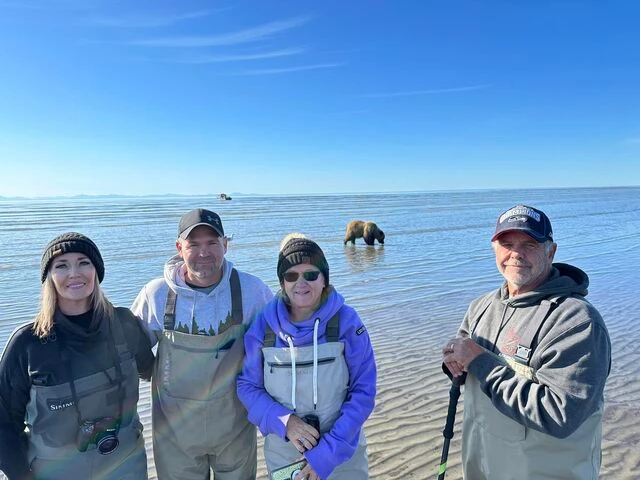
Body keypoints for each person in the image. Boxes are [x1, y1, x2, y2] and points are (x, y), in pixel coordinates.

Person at [442, 205, 611, 479]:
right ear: (494, 249)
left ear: (551, 251)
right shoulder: (481, 306)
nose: (516, 254)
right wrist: (455, 362)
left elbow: (560, 414)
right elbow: (463, 358)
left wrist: (479, 362)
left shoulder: (577, 321)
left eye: (529, 245)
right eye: (507, 244)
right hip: (481, 463)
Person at [131, 208, 273, 480]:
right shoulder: (156, 294)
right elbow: (131, 355)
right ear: (179, 248)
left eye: (212, 242)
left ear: (225, 245)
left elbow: (279, 349)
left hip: (234, 431)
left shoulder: (253, 290)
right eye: (193, 244)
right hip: (175, 437)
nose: (203, 252)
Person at [0, 232, 154, 480]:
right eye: (61, 265)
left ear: (96, 271)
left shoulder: (124, 323)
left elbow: (155, 371)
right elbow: (4, 422)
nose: (74, 273)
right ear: (49, 277)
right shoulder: (27, 343)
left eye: (84, 262)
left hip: (126, 463)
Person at [237, 234, 377, 480]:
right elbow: (247, 386)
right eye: (291, 276)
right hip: (285, 457)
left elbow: (364, 392)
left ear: (324, 279)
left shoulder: (347, 321)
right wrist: (285, 422)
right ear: (282, 282)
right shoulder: (263, 326)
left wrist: (326, 454)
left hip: (342, 452)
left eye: (311, 274)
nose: (301, 283)